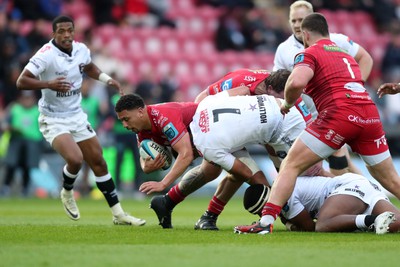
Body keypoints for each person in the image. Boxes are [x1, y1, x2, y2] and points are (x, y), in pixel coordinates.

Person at [234, 13, 400, 235]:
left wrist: (287, 104)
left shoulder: (308, 53)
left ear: (305, 34)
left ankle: (265, 223)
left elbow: (296, 82)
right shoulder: (345, 55)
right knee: (390, 178)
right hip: (369, 114)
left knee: (291, 165)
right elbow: (364, 64)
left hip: (338, 115)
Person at [15, 15, 145, 226]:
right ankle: (67, 192)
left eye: (69, 30)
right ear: (53, 34)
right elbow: (22, 81)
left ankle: (118, 214)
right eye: (61, 31)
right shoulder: (46, 54)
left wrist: (106, 79)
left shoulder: (81, 49)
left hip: (76, 115)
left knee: (99, 162)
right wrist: (49, 84)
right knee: (75, 159)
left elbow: (89, 67)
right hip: (53, 118)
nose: (66, 35)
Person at [273, 0, 373, 175]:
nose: (297, 25)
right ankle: (369, 194)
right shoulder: (284, 49)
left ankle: (348, 195)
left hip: (334, 112)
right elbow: (280, 83)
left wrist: (356, 87)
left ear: (311, 20)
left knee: (335, 159)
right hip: (305, 116)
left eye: (301, 20)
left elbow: (366, 58)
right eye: (293, 20)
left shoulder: (336, 40)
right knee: (342, 163)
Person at [240, 173, 398, 234]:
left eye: (260, 213)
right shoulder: (281, 184)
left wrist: (290, 225)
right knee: (396, 222)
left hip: (346, 189)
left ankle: (372, 221)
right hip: (358, 185)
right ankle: (375, 220)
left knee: (323, 224)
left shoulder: (284, 196)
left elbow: (309, 226)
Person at [0, 91, 42, 197]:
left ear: (33, 99)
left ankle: (25, 188)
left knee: (27, 166)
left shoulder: (38, 110)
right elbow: (4, 123)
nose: (27, 101)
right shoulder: (14, 108)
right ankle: (6, 187)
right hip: (16, 140)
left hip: (32, 142)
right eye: (24, 98)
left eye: (29, 98)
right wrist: (9, 127)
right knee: (11, 164)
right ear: (20, 99)